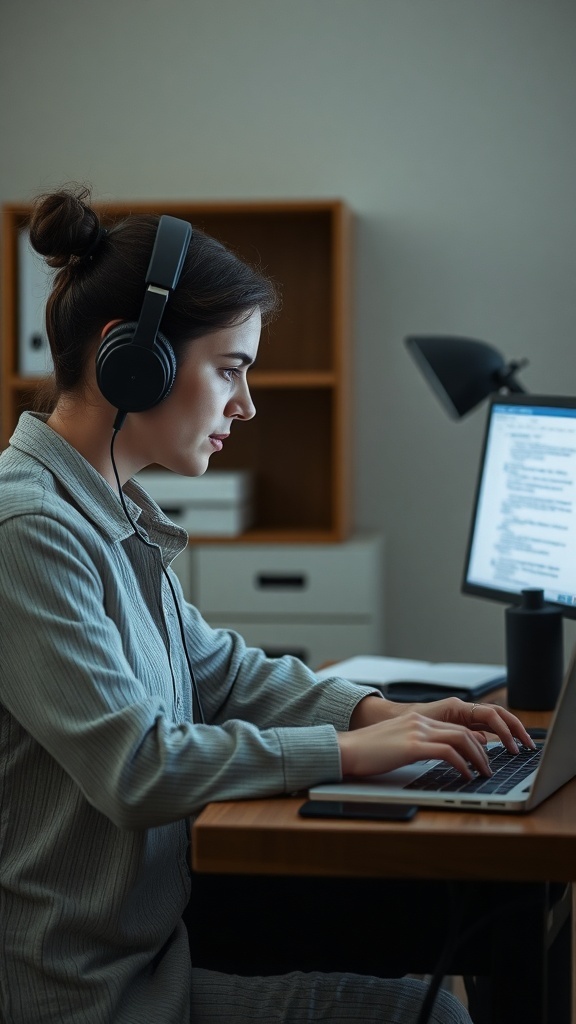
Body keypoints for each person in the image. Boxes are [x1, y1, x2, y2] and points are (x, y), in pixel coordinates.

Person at [0, 185, 534, 1024]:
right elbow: (135, 766)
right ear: (131, 359)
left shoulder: (108, 508)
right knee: (431, 1008)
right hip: (88, 997)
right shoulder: (28, 529)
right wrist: (347, 753)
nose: (246, 405)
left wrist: (377, 712)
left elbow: (218, 670)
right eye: (231, 369)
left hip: (154, 951)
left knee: (454, 943)